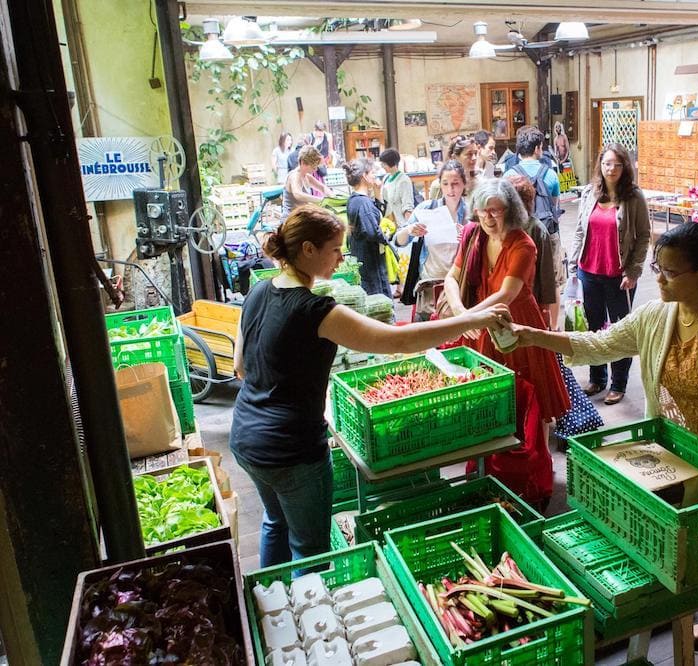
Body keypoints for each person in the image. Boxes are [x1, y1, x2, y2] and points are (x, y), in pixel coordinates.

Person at [507, 222, 698, 665]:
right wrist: (531, 335)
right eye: (656, 268)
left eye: (670, 272)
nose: (658, 279)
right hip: (696, 453)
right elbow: (598, 343)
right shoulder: (656, 314)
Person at [230, 204, 511, 569]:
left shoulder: (259, 291)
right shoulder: (315, 310)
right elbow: (398, 341)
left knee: (276, 523)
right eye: (334, 249)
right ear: (308, 250)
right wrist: (474, 319)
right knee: (308, 551)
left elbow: (239, 367)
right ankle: (306, 616)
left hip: (247, 438)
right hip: (291, 450)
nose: (339, 258)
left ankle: (271, 608)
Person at [443, 178, 569, 507]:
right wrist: (459, 310)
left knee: (528, 404)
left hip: (516, 328)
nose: (488, 218)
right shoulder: (471, 235)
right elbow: (451, 277)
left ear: (510, 211)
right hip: (480, 323)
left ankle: (529, 478)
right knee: (487, 403)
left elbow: (507, 294)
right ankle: (487, 471)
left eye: (495, 212)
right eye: (483, 211)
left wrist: (466, 317)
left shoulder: (523, 244)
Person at [569, 142, 651, 405]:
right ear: (600, 166)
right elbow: (580, 230)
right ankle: (597, 379)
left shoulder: (634, 197)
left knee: (619, 331)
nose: (611, 169)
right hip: (588, 271)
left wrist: (635, 270)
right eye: (607, 163)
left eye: (617, 164)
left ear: (624, 167)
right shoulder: (590, 193)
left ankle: (618, 384)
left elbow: (644, 236)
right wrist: (573, 265)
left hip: (619, 275)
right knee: (593, 329)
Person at [503, 125, 565, 328]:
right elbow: (555, 204)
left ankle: (522, 321)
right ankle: (553, 327)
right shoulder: (550, 174)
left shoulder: (508, 175)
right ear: (538, 148)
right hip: (547, 232)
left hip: (518, 235)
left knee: (519, 277)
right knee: (551, 280)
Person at [396, 160, 468, 282]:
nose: (450, 189)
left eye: (455, 183)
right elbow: (398, 241)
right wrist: (409, 230)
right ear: (440, 184)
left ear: (464, 184)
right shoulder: (426, 208)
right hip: (431, 279)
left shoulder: (471, 213)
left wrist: (468, 237)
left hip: (460, 280)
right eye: (445, 184)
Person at [505, 173, 557, 319]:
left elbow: (546, 273)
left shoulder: (537, 229)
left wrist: (545, 308)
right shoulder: (500, 227)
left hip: (530, 298)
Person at [345, 158, 391, 298]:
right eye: (372, 173)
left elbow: (377, 217)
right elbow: (372, 231)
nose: (375, 176)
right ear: (364, 176)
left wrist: (378, 192)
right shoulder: (363, 202)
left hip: (362, 257)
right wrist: (386, 237)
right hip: (370, 261)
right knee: (379, 299)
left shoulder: (355, 200)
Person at [281, 146, 336, 222]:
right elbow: (298, 194)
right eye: (313, 167)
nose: (316, 169)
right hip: (290, 221)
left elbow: (322, 188)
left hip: (300, 219)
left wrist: (334, 198)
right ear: (303, 163)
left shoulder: (307, 177)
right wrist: (321, 200)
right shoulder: (294, 176)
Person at [429, 134, 479, 202]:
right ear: (454, 157)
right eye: (469, 154)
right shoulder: (438, 186)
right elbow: (433, 211)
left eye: (475, 154)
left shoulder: (479, 182)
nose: (474, 158)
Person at [377, 148, 415, 226]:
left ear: (392, 163)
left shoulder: (404, 181)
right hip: (388, 224)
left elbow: (407, 206)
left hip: (401, 224)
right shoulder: (386, 178)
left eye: (384, 164)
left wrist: (410, 227)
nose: (382, 166)